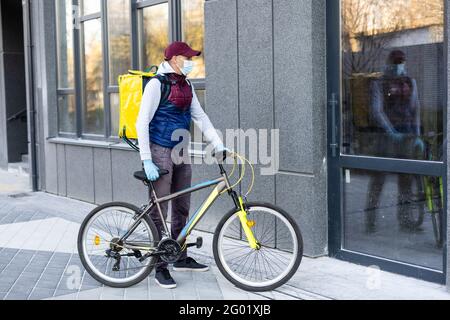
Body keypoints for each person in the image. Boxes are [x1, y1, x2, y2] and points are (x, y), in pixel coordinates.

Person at [136, 42, 227, 289]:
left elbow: (200, 117)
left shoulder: (186, 85)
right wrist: (146, 159)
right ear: (175, 58)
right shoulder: (157, 84)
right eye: (187, 58)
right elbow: (141, 122)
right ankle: (159, 266)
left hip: (180, 150)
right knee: (160, 210)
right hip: (160, 150)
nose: (191, 62)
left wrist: (218, 144)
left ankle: (179, 256)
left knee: (182, 207)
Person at [365, 50, 425, 233]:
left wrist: (417, 135)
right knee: (378, 180)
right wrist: (390, 132)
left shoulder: (410, 82)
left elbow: (416, 109)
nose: (399, 65)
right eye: (396, 61)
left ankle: (405, 220)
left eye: (402, 62)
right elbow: (376, 111)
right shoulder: (379, 83)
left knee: (406, 180)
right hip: (385, 138)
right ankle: (370, 221)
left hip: (406, 137)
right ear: (389, 62)